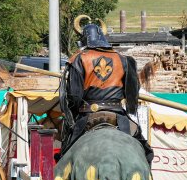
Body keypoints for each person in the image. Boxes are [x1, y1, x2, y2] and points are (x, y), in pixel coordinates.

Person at [59, 15, 153, 165]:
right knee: (145, 152)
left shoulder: (79, 58)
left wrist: (73, 114)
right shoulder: (123, 59)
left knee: (65, 156)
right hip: (118, 115)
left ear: (83, 40)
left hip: (86, 114)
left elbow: (74, 97)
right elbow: (132, 96)